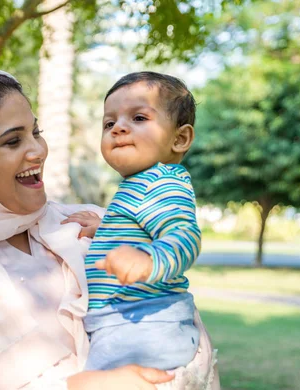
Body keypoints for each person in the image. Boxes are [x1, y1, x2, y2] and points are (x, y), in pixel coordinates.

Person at [0, 68, 218, 389]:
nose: (38, 151)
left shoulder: (88, 225)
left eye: (36, 132)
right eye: (12, 141)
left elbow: (183, 330)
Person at [83, 72, 203, 374]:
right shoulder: (142, 184)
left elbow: (185, 237)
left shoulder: (161, 183)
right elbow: (144, 226)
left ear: (180, 138)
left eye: (138, 117)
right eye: (109, 123)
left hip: (143, 324)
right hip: (129, 322)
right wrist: (105, 229)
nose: (119, 128)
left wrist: (148, 259)